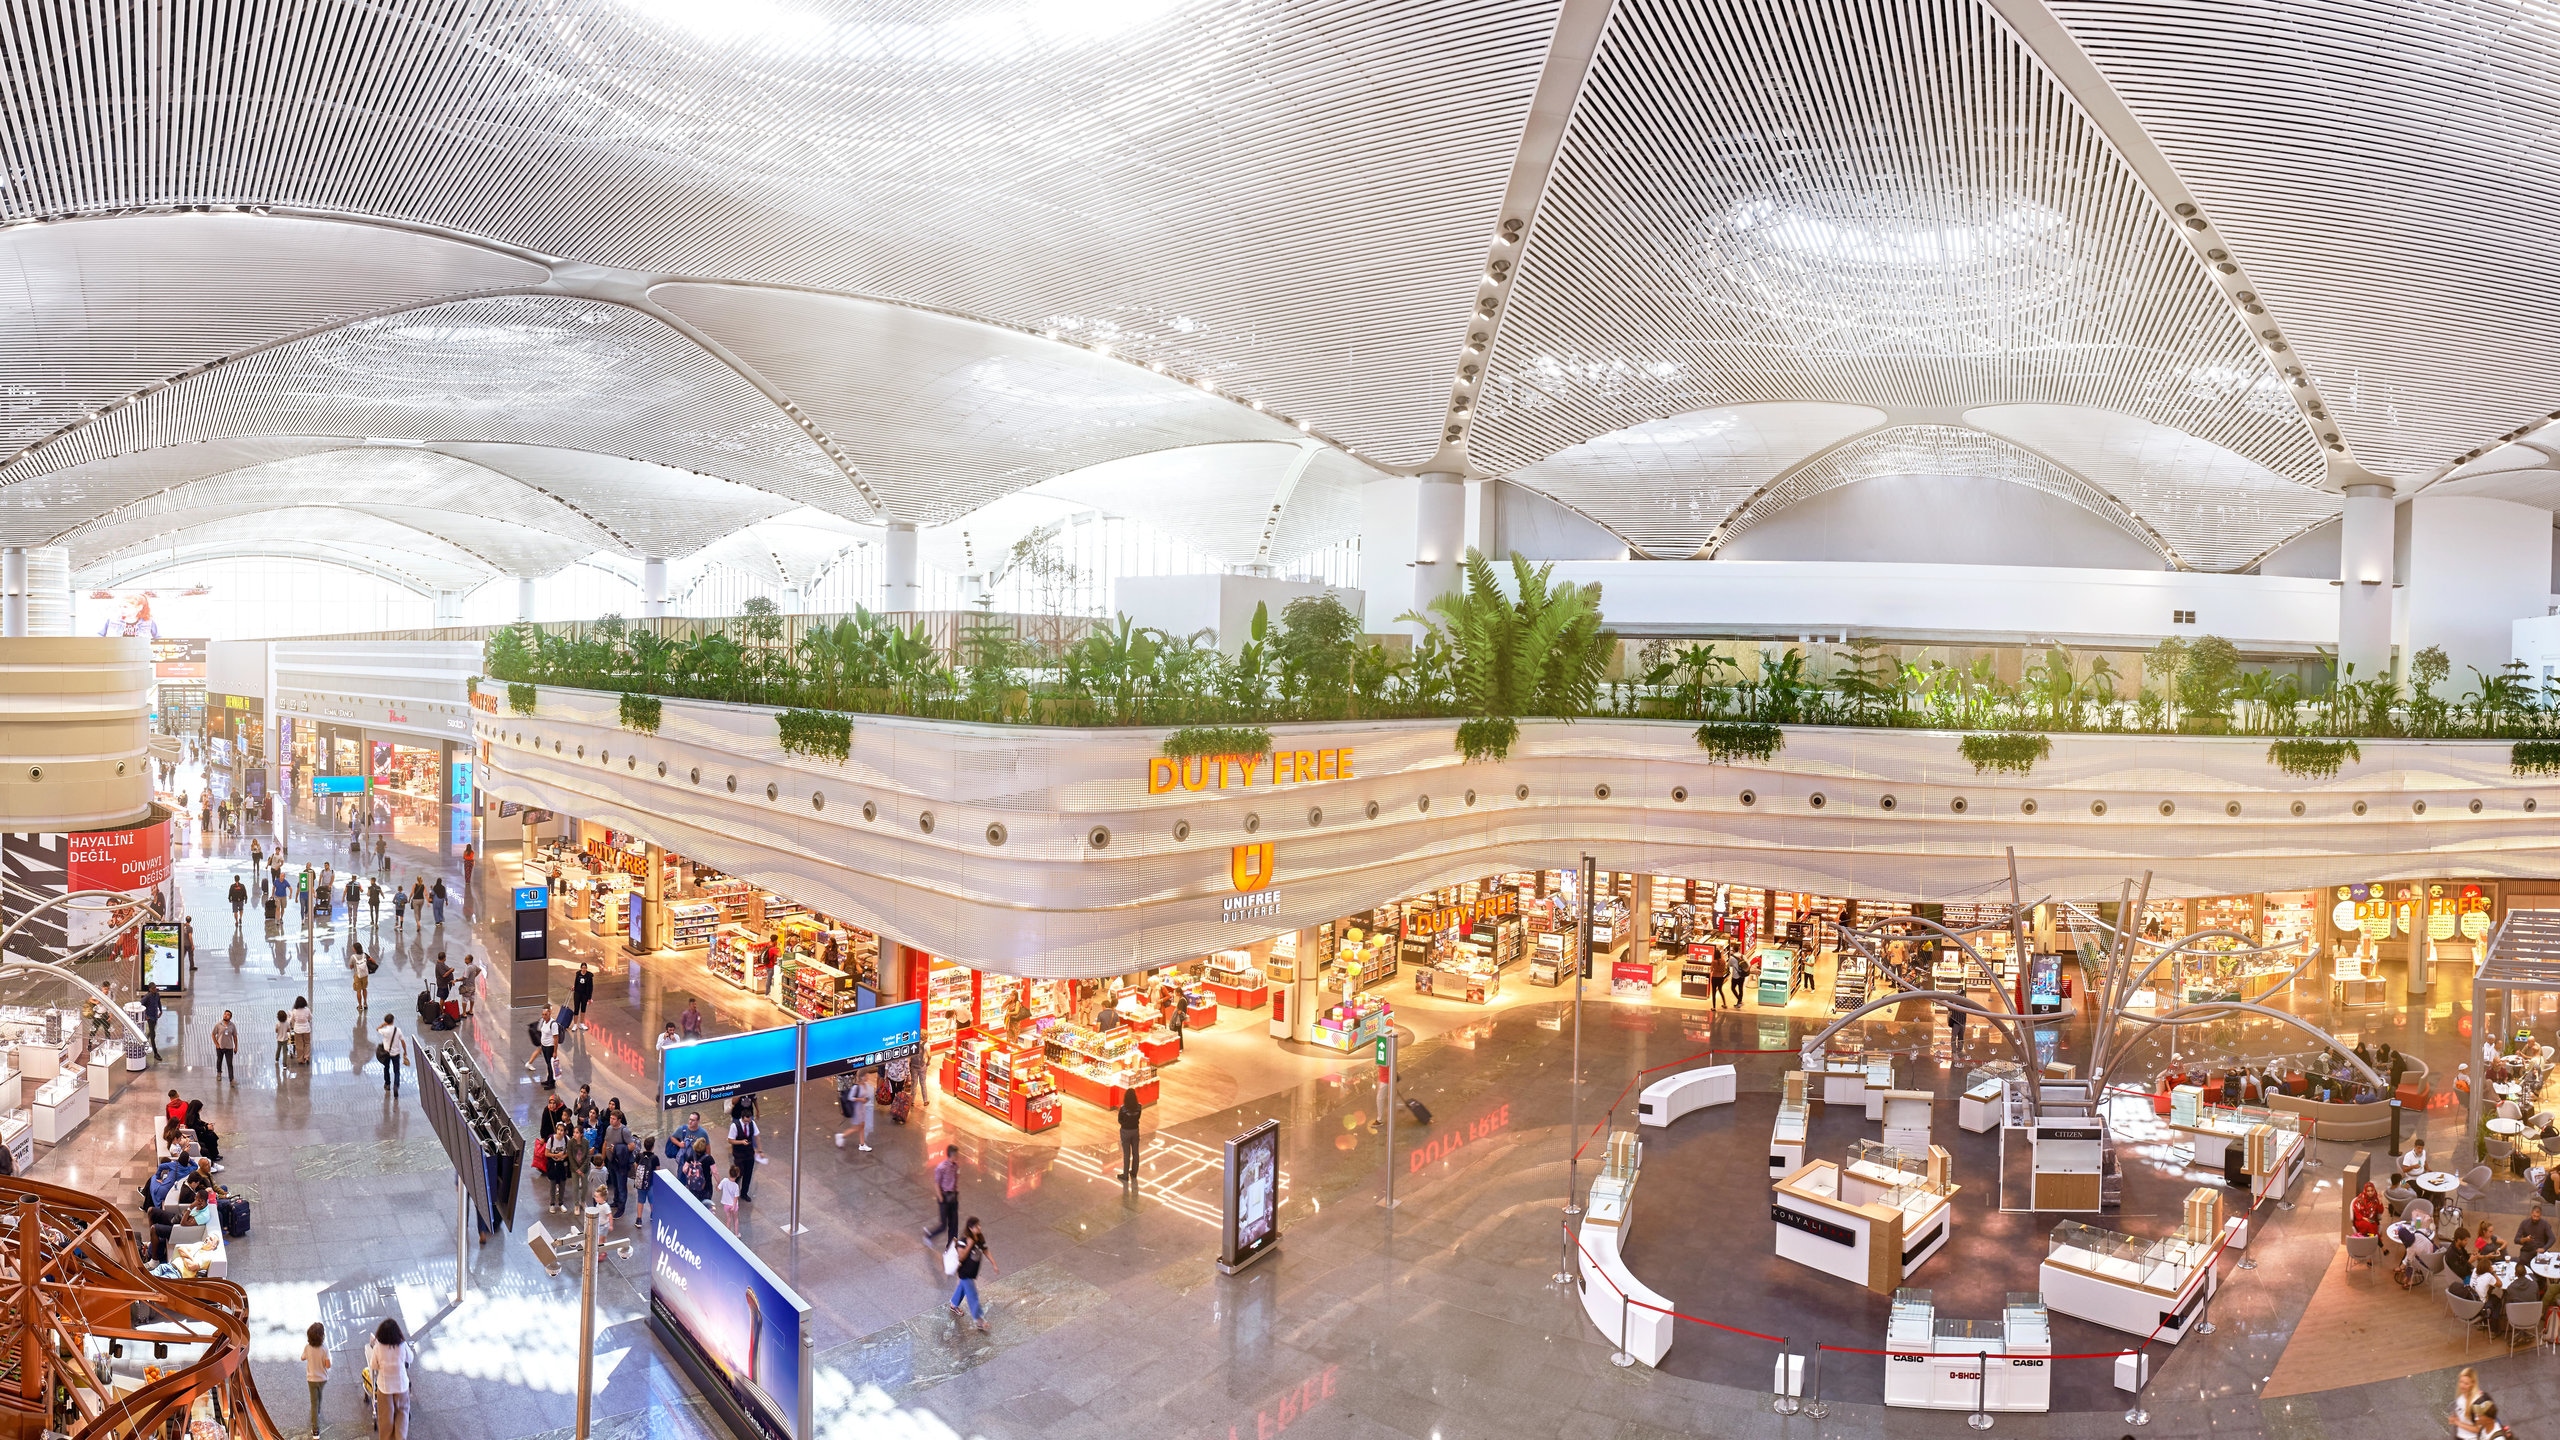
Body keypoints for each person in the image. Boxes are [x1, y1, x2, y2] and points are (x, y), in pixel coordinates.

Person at [366, 1317, 410, 1440]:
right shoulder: (402, 1345)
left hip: (385, 1386)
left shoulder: (378, 1347)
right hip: (401, 1386)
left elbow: (373, 1365)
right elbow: (410, 1358)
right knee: (402, 1413)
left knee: (386, 1417)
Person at [947, 1218, 991, 1333]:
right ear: (970, 1228)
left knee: (962, 1287)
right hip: (964, 1272)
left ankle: (954, 1304)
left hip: (971, 1272)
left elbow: (985, 1249)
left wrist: (994, 1263)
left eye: (979, 1225)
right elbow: (961, 1257)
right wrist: (969, 1245)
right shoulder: (964, 1240)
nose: (979, 1228)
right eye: (977, 1226)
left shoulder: (979, 1237)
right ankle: (980, 1321)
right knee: (973, 1295)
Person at [923, 1144, 961, 1246]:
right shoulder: (941, 1168)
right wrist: (941, 1198)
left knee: (954, 1224)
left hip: (953, 1197)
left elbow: (956, 1179)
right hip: (944, 1197)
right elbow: (936, 1184)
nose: (958, 1156)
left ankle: (952, 1246)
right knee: (943, 1225)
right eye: (956, 1155)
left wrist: (956, 1191)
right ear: (952, 1155)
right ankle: (929, 1234)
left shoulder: (956, 1166)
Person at [303, 1321, 330, 1440]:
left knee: (313, 1401)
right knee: (319, 1395)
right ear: (322, 1336)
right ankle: (318, 1411)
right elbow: (328, 1365)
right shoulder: (325, 1348)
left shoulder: (307, 1348)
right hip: (322, 1378)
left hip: (311, 1379)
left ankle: (315, 1430)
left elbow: (302, 1357)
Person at [834, 1069, 874, 1151]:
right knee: (857, 1127)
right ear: (862, 1077)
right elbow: (850, 1097)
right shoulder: (856, 1087)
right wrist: (861, 1100)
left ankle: (862, 1144)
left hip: (862, 1109)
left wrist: (865, 1100)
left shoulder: (864, 1085)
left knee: (861, 1126)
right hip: (857, 1110)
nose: (867, 1077)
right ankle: (841, 1136)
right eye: (866, 1075)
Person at [728, 1102, 760, 1203]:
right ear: (742, 1118)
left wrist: (759, 1149)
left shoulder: (752, 1123)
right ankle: (733, 1191)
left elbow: (756, 1135)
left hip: (749, 1153)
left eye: (749, 1120)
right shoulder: (734, 1126)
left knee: (748, 1174)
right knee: (739, 1173)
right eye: (746, 1121)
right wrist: (741, 1142)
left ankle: (744, 1193)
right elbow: (730, 1140)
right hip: (739, 1154)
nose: (748, 1123)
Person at [185, 1099, 223, 1167]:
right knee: (211, 1137)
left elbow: (199, 1122)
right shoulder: (190, 1118)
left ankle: (215, 1153)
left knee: (212, 1135)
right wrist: (206, 1128)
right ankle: (213, 1155)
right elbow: (196, 1128)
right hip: (197, 1135)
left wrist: (206, 1124)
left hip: (200, 1132)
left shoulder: (195, 1114)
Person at [376, 1012, 407, 1096]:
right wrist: (405, 1052)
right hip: (396, 1053)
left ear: (386, 1021)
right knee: (396, 1071)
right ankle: (396, 1085)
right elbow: (403, 1042)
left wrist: (383, 1024)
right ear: (393, 1020)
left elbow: (377, 1029)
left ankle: (387, 1084)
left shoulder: (385, 1031)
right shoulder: (398, 1030)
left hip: (386, 1053)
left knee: (386, 1068)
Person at [1117, 1088, 1143, 1181]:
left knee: (1126, 1154)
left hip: (1125, 1131)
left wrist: (1125, 1123)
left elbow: (1119, 1120)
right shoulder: (1139, 1107)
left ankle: (1125, 1175)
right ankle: (1134, 1173)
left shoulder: (1123, 1108)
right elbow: (1138, 1117)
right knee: (1136, 1153)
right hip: (1135, 1130)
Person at [211, 1010, 238, 1084]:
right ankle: (219, 1073)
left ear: (230, 1017)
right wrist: (216, 1044)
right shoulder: (218, 1025)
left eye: (228, 1015)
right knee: (219, 1060)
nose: (226, 1015)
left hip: (229, 1048)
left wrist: (236, 1047)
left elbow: (235, 1036)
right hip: (220, 1047)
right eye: (225, 1014)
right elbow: (213, 1034)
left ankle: (231, 1079)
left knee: (230, 1064)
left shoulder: (232, 1025)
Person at [535, 1010, 560, 1089]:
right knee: (548, 1064)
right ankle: (549, 1079)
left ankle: (552, 1083)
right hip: (544, 1046)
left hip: (550, 1047)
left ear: (550, 1013)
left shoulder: (553, 1024)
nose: (544, 1016)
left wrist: (555, 1051)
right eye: (543, 1014)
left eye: (546, 1014)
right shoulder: (543, 1022)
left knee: (551, 1065)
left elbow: (556, 1038)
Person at [138, 985, 162, 1060]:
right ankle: (155, 1053)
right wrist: (145, 1015)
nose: (155, 989)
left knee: (151, 1033)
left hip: (155, 1016)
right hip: (150, 1018)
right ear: (150, 989)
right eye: (153, 988)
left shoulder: (157, 995)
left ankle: (143, 1043)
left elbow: (159, 1002)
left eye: (155, 988)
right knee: (153, 1034)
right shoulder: (147, 997)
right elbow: (140, 1004)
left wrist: (161, 1010)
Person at [718, 1162, 743, 1228]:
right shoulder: (736, 1186)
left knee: (728, 1219)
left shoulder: (724, 1180)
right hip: (733, 1205)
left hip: (726, 1204)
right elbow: (736, 1197)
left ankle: (727, 1234)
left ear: (729, 1173)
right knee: (736, 1219)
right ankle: (737, 1234)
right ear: (738, 1175)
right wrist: (733, 1206)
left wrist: (717, 1185)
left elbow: (718, 1189)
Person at [290, 994, 313, 1064]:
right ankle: (307, 1056)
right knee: (307, 1043)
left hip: (298, 1030)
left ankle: (300, 1059)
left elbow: (292, 1019)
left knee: (299, 1044)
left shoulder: (294, 1011)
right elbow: (310, 1018)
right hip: (306, 1029)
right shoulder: (307, 1010)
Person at [572, 963, 595, 1028]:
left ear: (586, 968)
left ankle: (581, 1023)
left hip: (584, 994)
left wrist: (589, 998)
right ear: (581, 968)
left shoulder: (589, 976)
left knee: (583, 1008)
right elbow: (575, 982)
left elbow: (590, 987)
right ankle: (575, 1024)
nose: (584, 969)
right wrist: (574, 987)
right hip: (577, 993)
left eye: (585, 968)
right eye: (583, 968)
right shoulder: (578, 974)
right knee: (576, 1008)